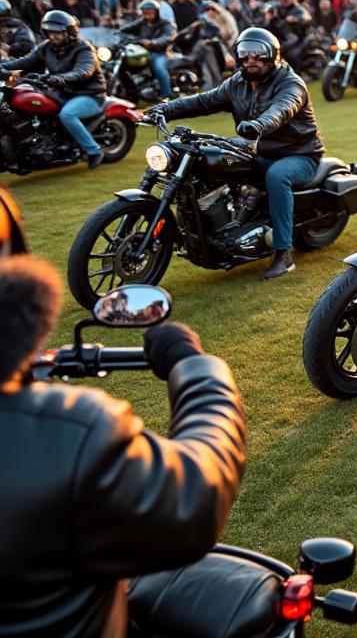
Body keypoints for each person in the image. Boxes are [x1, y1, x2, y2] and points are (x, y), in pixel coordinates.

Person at [0, 184, 247, 637]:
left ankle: (280, 247)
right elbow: (196, 492)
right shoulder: (70, 435)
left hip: (284, 148)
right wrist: (198, 370)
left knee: (277, 177)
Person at [146, 27, 323, 279]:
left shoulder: (291, 83)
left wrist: (258, 125)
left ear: (273, 56)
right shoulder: (236, 83)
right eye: (245, 54)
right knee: (210, 160)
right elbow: (202, 101)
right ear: (238, 57)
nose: (251, 60)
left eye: (259, 55)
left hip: (299, 155)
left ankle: (283, 254)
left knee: (276, 176)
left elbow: (283, 109)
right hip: (258, 149)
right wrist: (163, 110)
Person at [0, 10, 108, 169]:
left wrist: (62, 78)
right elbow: (24, 61)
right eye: (50, 32)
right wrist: (2, 67)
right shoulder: (46, 47)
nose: (53, 36)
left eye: (57, 33)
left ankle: (94, 150)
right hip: (62, 92)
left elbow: (84, 71)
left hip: (89, 94)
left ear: (69, 32)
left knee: (68, 114)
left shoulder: (84, 49)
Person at [118, 0, 177, 100]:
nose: (148, 13)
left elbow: (168, 37)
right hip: (141, 51)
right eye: (145, 11)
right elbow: (126, 29)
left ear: (156, 11)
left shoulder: (166, 24)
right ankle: (132, 93)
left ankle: (167, 94)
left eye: (150, 10)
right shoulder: (142, 22)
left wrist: (152, 43)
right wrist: (116, 32)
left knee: (158, 67)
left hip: (160, 52)